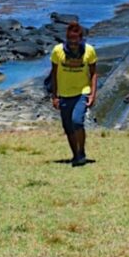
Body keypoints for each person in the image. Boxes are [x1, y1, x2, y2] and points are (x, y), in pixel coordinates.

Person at [50, 21, 97, 166]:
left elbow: (94, 73)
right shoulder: (58, 51)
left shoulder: (89, 51)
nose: (73, 44)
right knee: (68, 127)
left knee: (77, 121)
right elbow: (53, 74)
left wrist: (92, 94)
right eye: (70, 41)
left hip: (82, 92)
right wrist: (54, 95)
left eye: (76, 41)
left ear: (81, 39)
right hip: (64, 93)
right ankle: (75, 155)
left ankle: (81, 152)